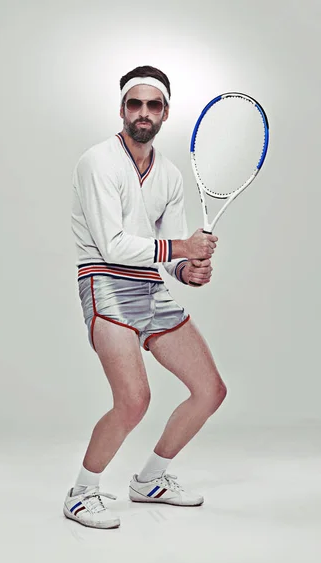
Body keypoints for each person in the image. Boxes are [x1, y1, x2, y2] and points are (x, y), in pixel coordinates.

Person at [64, 65, 227, 529]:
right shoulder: (97, 161)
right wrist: (181, 249)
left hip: (150, 288)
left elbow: (170, 252)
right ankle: (81, 493)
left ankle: (151, 480)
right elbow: (114, 243)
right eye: (134, 103)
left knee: (211, 390)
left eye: (153, 105)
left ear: (165, 113)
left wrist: (189, 270)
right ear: (121, 109)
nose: (143, 112)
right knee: (133, 399)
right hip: (105, 283)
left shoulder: (170, 175)